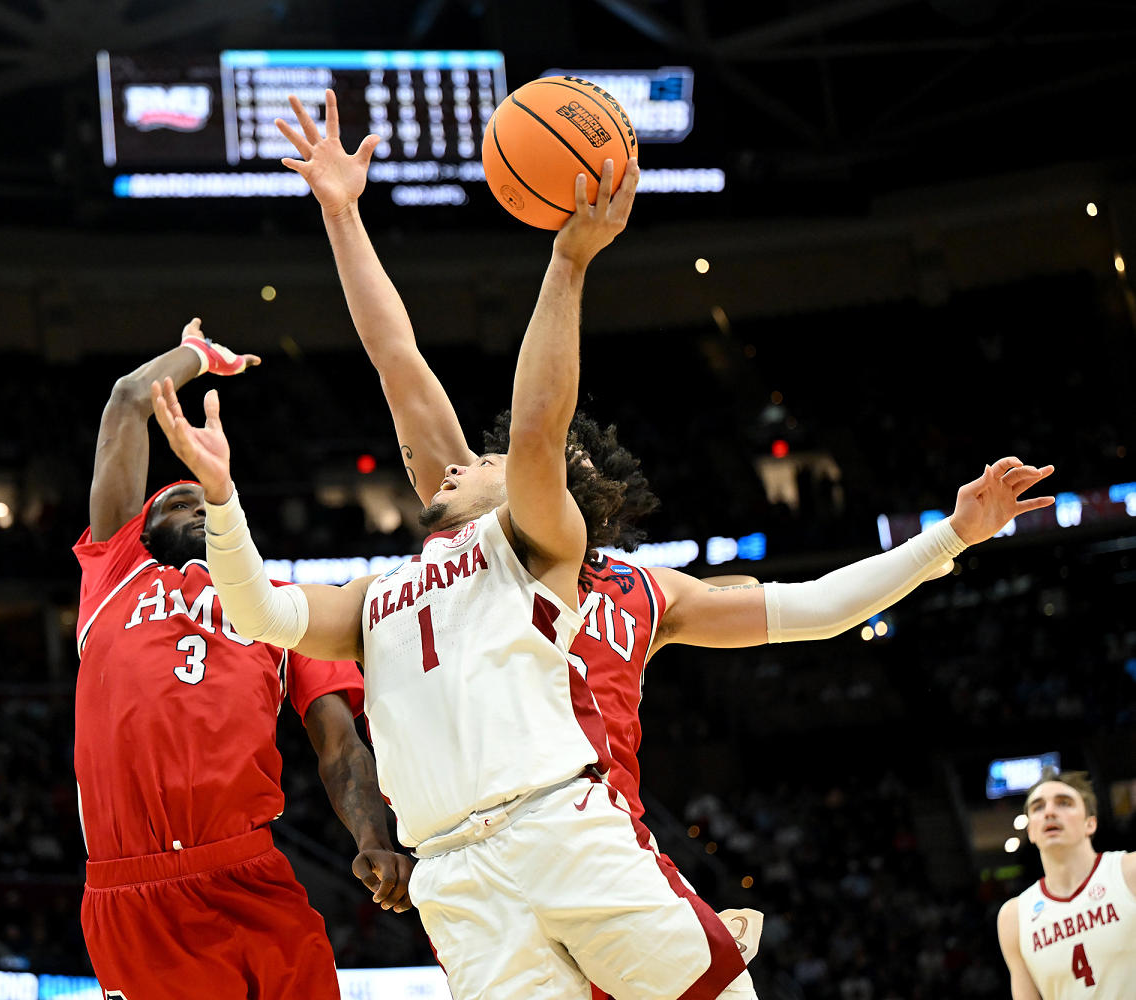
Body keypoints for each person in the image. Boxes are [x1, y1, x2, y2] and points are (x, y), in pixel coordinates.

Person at [274, 89, 1058, 997]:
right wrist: (341, 213)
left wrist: (950, 538)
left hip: (597, 859)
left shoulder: (646, 592)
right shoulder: (472, 541)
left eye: (505, 455)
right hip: (492, 867)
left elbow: (816, 610)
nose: (476, 461)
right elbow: (398, 360)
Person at [73, 323, 412, 1000]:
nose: (194, 503)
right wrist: (200, 357)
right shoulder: (113, 574)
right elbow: (125, 400)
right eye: (175, 500)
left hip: (248, 873)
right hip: (132, 888)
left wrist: (375, 834)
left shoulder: (283, 608)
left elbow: (339, 744)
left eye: (206, 497)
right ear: (140, 528)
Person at [997, 770, 1136, 998]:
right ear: (1031, 831)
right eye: (1038, 807)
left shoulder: (1129, 872)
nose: (1050, 812)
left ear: (1090, 824)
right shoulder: (1014, 917)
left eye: (1064, 803)